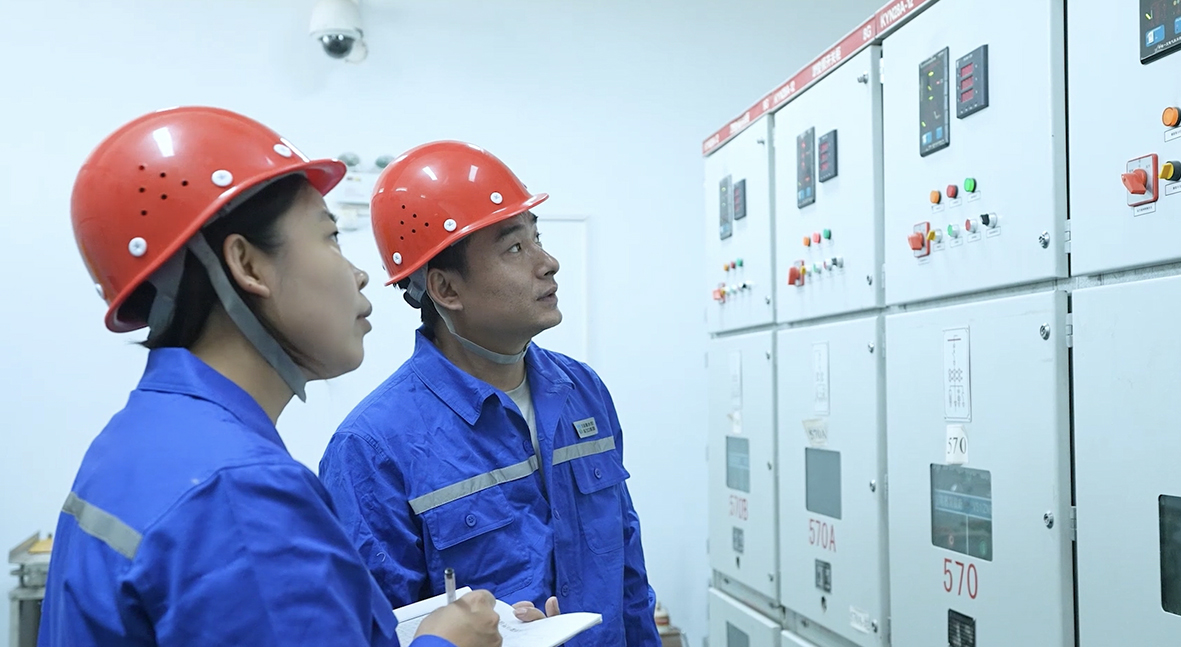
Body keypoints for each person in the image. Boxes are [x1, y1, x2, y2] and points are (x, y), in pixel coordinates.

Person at [38, 108, 501, 647]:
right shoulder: (239, 494)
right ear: (248, 265)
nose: (359, 274)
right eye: (330, 236)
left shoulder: (135, 439)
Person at [318, 141, 662, 646]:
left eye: (536, 238)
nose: (549, 263)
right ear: (446, 289)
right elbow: (374, 632)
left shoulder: (581, 390)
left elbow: (629, 574)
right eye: (514, 249)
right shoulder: (372, 448)